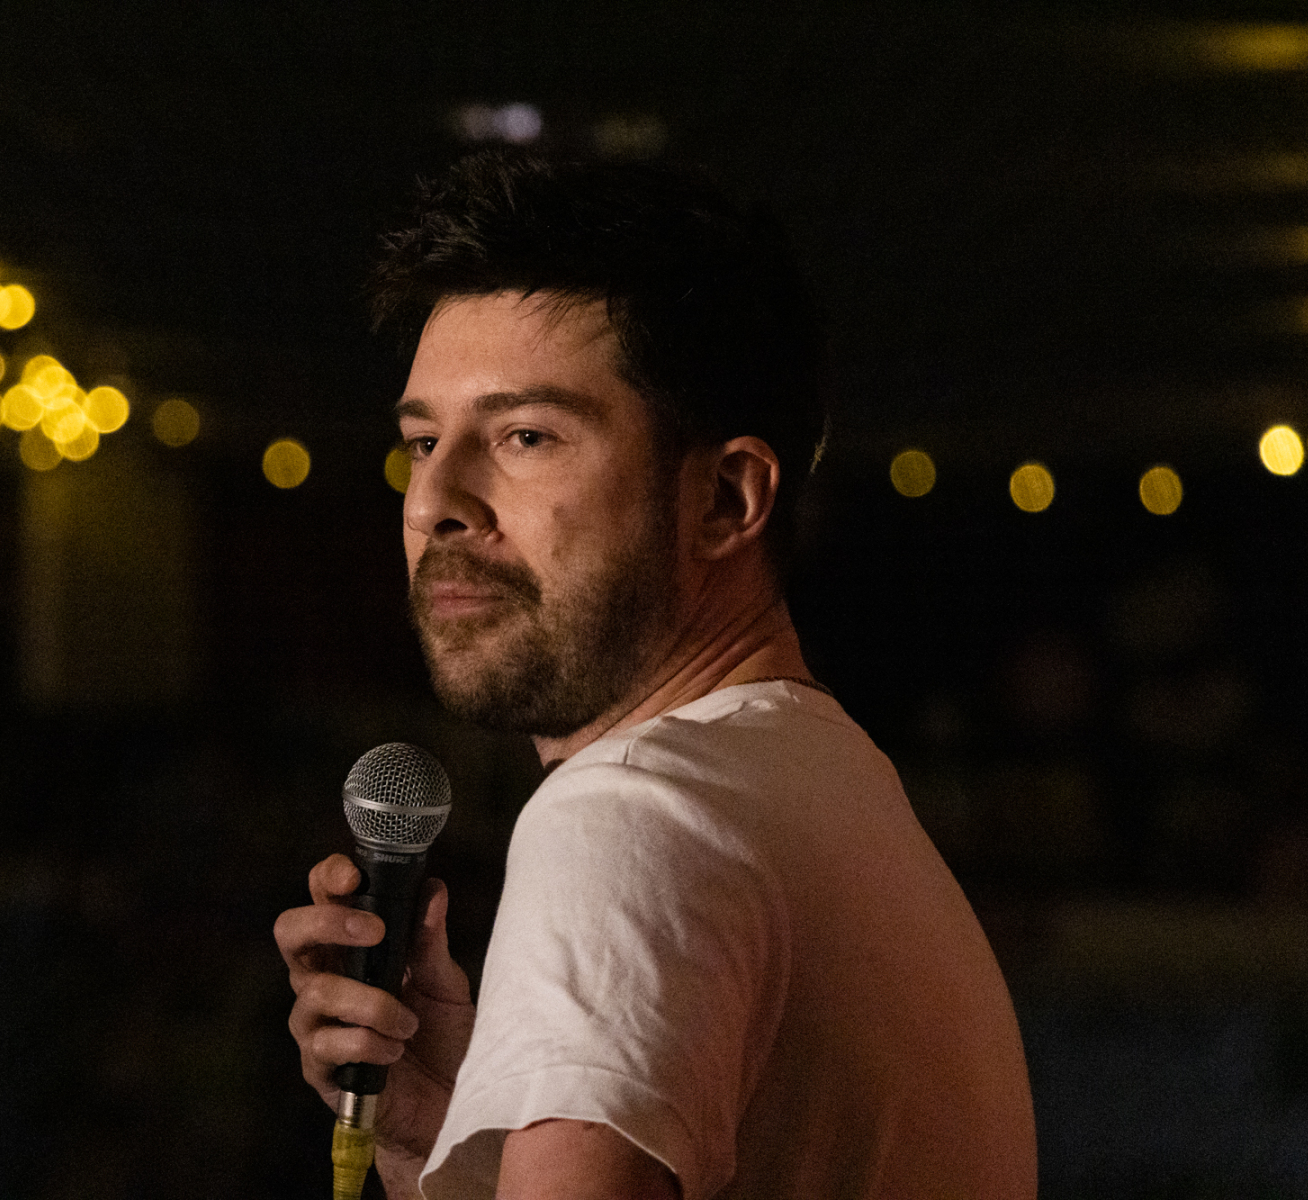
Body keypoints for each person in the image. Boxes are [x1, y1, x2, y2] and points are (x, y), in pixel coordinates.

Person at [274, 151, 1037, 1200]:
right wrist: (433, 1138)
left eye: (525, 436)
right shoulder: (829, 790)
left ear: (725, 499)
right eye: (421, 442)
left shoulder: (633, 815)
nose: (434, 502)